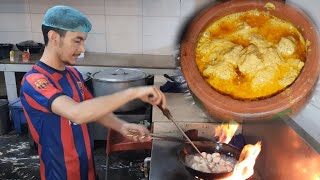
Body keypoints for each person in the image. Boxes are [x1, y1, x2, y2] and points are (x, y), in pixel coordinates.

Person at [20, 5, 167, 180]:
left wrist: (121, 126)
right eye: (77, 40)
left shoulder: (73, 74)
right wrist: (132, 93)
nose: (83, 48)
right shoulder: (35, 81)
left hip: (87, 169)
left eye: (83, 41)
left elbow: (93, 109)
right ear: (54, 37)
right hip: (60, 174)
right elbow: (77, 113)